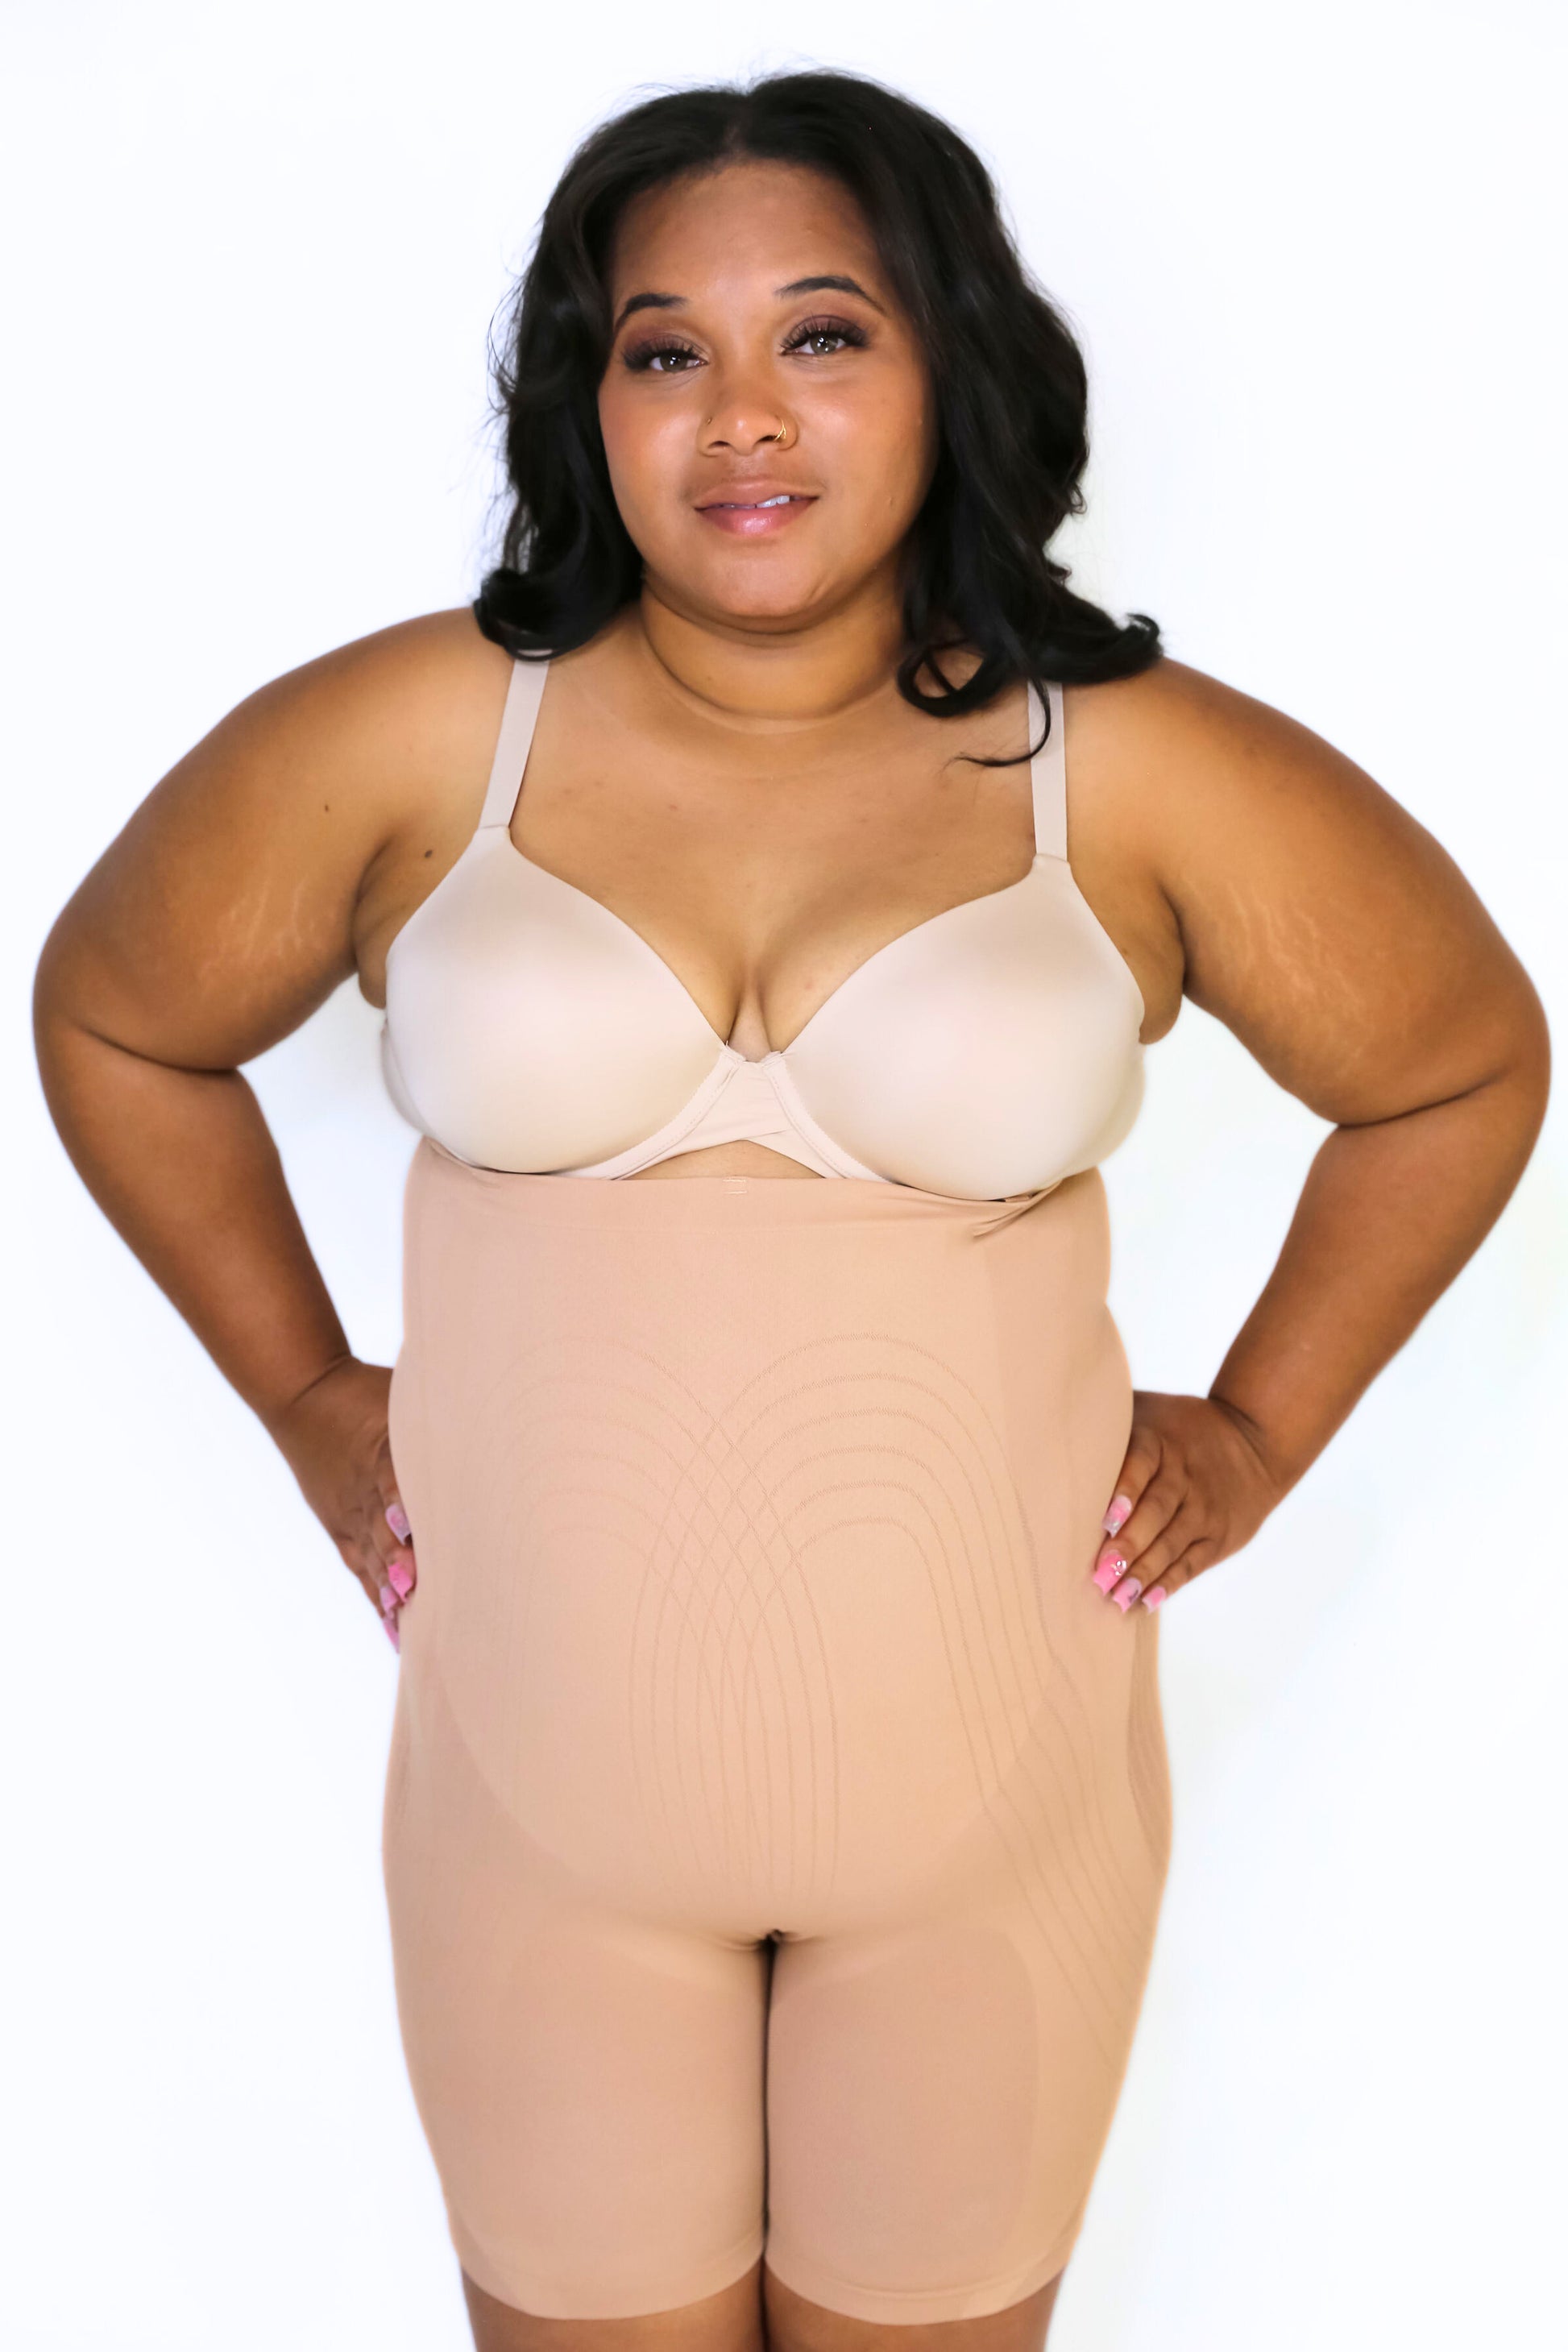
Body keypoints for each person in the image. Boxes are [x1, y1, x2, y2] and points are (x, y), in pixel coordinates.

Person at [31, 64, 1549, 2352]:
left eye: (822, 335)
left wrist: (1251, 1433)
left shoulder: (1130, 764)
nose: (741, 416)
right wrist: (311, 1399)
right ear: (590, 399)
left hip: (996, 1822)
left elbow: (1457, 1067)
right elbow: (116, 1020)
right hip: (538, 1825)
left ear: (952, 361)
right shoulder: (426, 735)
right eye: (667, 350)